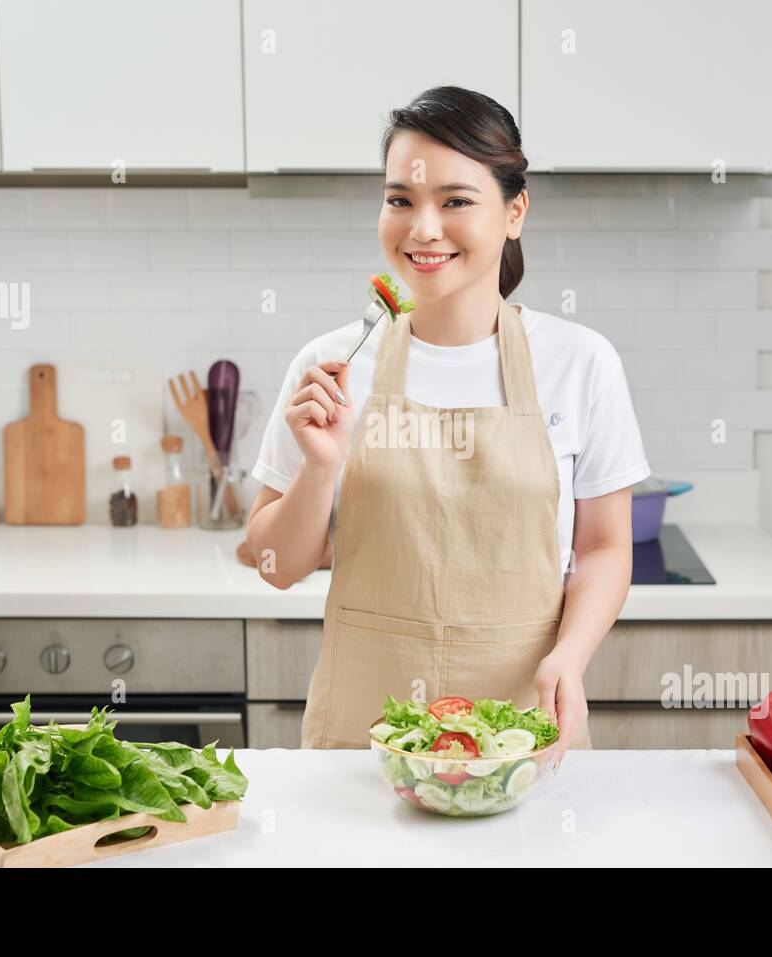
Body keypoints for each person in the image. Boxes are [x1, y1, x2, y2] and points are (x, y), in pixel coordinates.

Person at [247, 86, 650, 764]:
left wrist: (570, 657)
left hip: (521, 737)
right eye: (400, 199)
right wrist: (319, 468)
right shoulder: (331, 366)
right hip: (365, 749)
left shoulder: (580, 364)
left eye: (456, 201)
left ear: (515, 211)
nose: (423, 228)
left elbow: (605, 548)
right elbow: (276, 564)